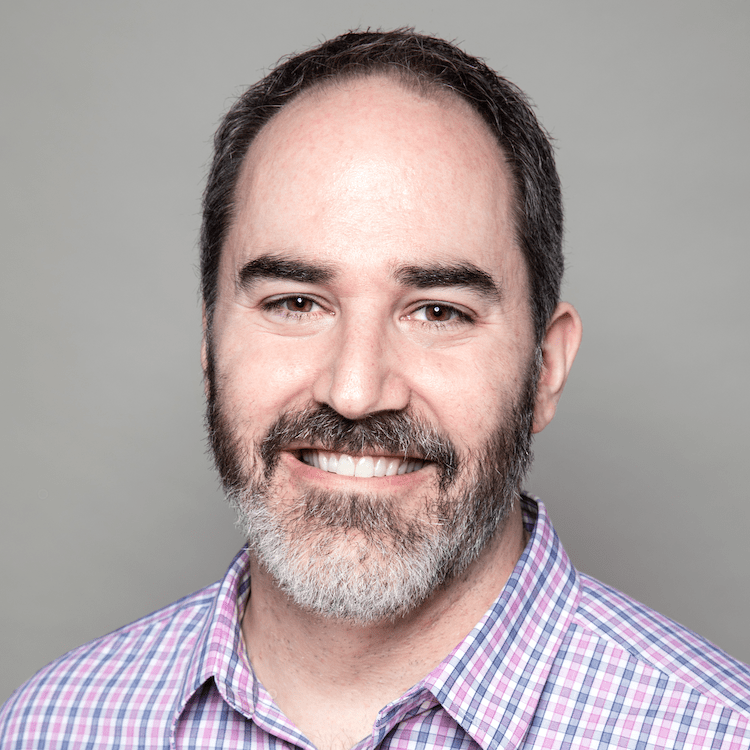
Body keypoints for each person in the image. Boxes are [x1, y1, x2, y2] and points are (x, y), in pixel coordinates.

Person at [1, 27, 749, 750]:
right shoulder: (51, 725)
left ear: (544, 369)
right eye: (295, 302)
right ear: (209, 343)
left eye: (438, 311)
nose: (356, 392)